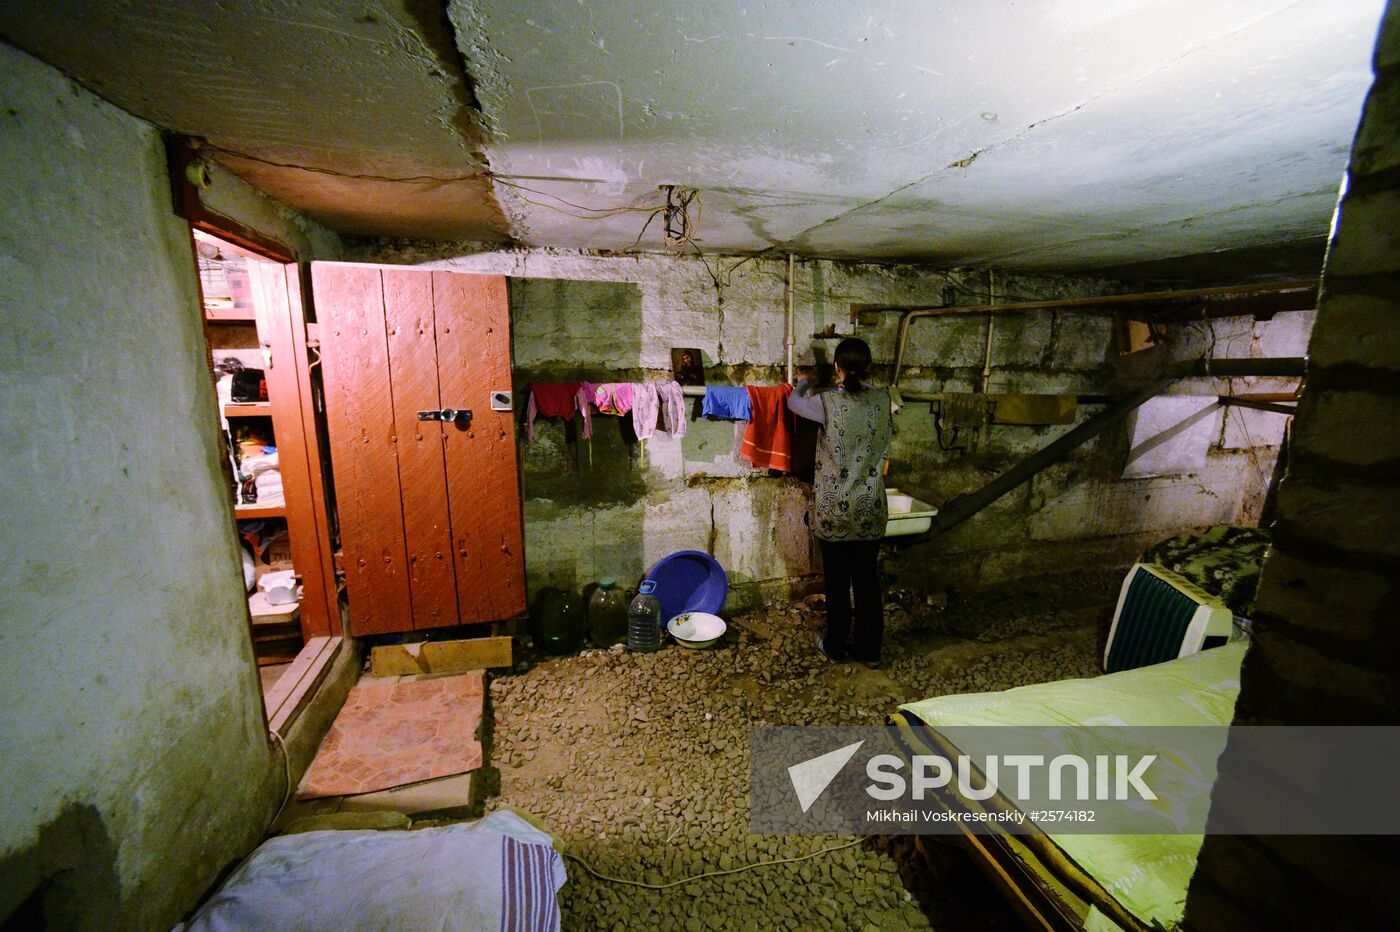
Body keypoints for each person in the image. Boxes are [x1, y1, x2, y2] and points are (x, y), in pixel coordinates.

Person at [787, 337, 893, 667]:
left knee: (837, 582)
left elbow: (793, 401)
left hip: (834, 510)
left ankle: (835, 646)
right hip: (869, 508)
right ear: (869, 367)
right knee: (866, 581)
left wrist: (804, 380)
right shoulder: (883, 400)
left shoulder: (827, 403)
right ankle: (869, 651)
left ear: (837, 368)